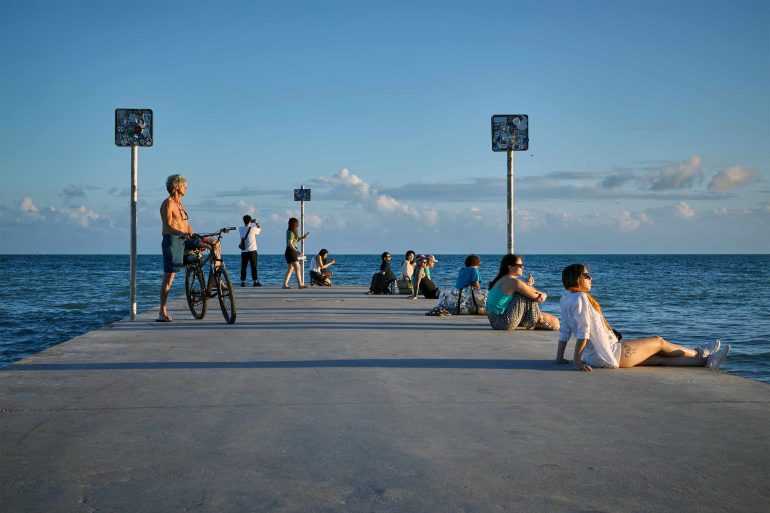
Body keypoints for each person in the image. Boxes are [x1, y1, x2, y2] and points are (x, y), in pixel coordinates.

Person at [555, 263, 730, 371]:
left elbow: (565, 330)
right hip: (612, 353)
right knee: (659, 342)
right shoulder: (581, 298)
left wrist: (559, 357)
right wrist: (577, 362)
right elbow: (583, 331)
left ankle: (706, 361)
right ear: (576, 279)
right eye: (586, 275)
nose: (591, 278)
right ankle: (700, 352)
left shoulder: (566, 298)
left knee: (658, 360)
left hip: (598, 357)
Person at [158, 174, 220, 322]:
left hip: (187, 238)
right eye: (184, 185)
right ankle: (162, 312)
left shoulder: (180, 204)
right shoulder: (168, 203)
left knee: (215, 243)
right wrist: (182, 233)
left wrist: (193, 235)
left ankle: (216, 279)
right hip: (173, 240)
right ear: (176, 187)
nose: (186, 188)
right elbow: (168, 226)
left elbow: (185, 224)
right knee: (169, 277)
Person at [486, 254, 559, 331]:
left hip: (495, 321)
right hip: (503, 322)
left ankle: (540, 321)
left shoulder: (502, 280)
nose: (522, 267)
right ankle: (540, 321)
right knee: (523, 294)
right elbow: (537, 298)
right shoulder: (514, 283)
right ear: (510, 267)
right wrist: (544, 294)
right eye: (520, 265)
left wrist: (527, 285)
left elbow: (521, 288)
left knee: (555, 321)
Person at [282, 217, 308, 289]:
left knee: (290, 268)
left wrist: (302, 237)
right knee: (297, 267)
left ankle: (285, 284)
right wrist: (296, 251)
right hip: (290, 251)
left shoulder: (292, 232)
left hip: (291, 251)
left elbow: (295, 241)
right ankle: (300, 284)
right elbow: (290, 243)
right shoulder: (290, 232)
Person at [238, 214, 262, 287]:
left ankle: (242, 282)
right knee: (253, 266)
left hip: (244, 251)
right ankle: (255, 281)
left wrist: (250, 222)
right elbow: (260, 229)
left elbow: (246, 225)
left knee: (243, 267)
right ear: (250, 221)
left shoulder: (240, 229)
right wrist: (256, 222)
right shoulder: (253, 229)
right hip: (252, 250)